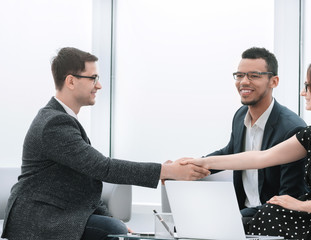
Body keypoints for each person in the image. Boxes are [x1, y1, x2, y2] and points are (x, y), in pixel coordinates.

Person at [1, 47, 210, 240]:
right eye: (93, 78)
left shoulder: (62, 119)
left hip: (56, 214)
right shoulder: (54, 123)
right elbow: (103, 168)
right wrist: (167, 171)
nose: (99, 85)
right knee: (113, 231)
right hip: (39, 220)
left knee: (115, 228)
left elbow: (86, 182)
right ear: (71, 81)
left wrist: (111, 219)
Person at [183, 58, 311, 239]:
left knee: (268, 216)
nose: (303, 93)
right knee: (268, 214)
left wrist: (300, 205)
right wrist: (202, 161)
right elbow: (262, 157)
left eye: (308, 86)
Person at [205, 47, 307, 218]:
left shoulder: (292, 129)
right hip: (243, 214)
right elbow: (229, 153)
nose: (244, 82)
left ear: (274, 81)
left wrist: (236, 218)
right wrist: (190, 166)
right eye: (239, 75)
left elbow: (289, 197)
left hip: (273, 218)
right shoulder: (240, 116)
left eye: (254, 76)